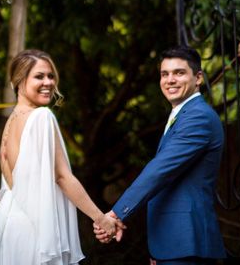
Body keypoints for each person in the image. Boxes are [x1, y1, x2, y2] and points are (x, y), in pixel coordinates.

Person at [0, 49, 121, 265]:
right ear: (19, 80)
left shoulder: (10, 122)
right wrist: (101, 219)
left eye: (51, 76)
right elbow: (62, 177)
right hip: (33, 233)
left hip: (7, 228)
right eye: (39, 76)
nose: (48, 82)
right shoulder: (41, 117)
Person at [95, 45, 226, 265]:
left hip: (187, 244)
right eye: (165, 74)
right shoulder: (182, 115)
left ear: (199, 78)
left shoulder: (198, 117)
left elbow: (159, 171)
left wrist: (117, 214)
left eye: (179, 73)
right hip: (172, 244)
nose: (170, 80)